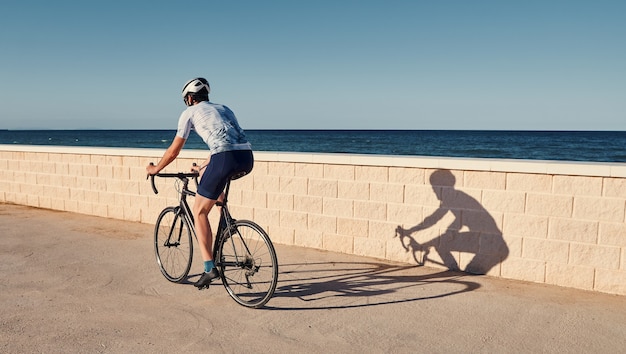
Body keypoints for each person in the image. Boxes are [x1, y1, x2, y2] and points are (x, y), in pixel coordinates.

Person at [146, 77, 253, 289]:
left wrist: (155, 169)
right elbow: (225, 142)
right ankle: (226, 222)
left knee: (199, 212)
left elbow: (174, 150)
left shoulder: (189, 113)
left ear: (189, 98)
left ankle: (209, 268)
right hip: (246, 157)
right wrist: (203, 167)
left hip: (224, 159)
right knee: (210, 176)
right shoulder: (224, 108)